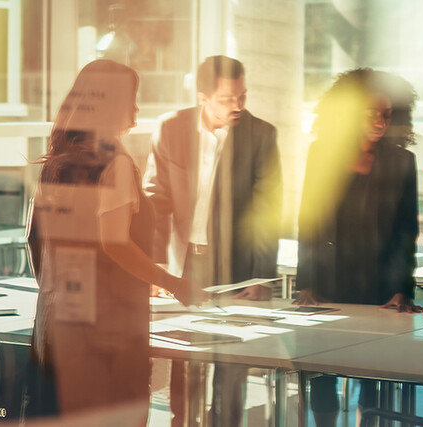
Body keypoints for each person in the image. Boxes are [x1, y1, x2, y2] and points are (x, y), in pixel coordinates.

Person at [25, 60, 196, 419]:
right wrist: (172, 283)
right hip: (108, 332)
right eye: (132, 99)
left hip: (57, 322)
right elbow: (114, 243)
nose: (136, 108)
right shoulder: (113, 161)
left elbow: (36, 240)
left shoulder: (57, 161)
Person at [143, 55, 282, 426]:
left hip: (236, 268)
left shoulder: (262, 135)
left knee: (231, 367)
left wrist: (261, 276)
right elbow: (154, 199)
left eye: (242, 96)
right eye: (226, 99)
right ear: (202, 96)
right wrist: (155, 267)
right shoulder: (171, 127)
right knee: (186, 364)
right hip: (183, 263)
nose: (237, 106)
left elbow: (267, 210)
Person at [294, 68, 420, 426]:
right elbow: (309, 222)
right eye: (369, 114)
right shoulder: (321, 154)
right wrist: (306, 280)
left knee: (373, 377)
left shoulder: (403, 161)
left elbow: (405, 231)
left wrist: (402, 289)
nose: (380, 122)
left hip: (378, 287)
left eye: (385, 114)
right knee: (322, 375)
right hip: (329, 283)